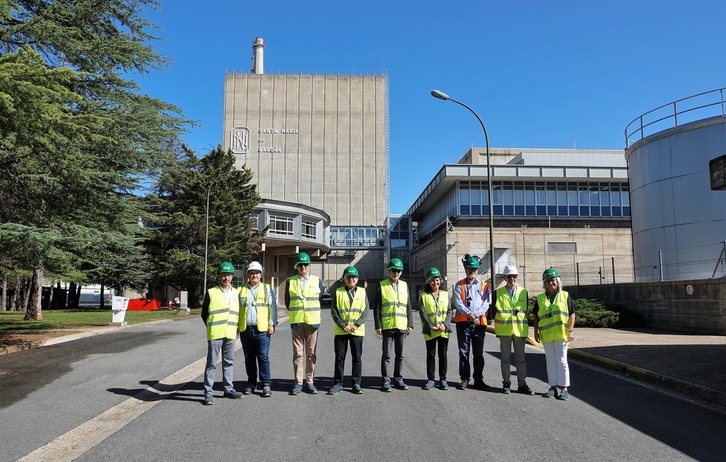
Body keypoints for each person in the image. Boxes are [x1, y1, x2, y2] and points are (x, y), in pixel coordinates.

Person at [201, 261, 243, 405]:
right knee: (211, 363)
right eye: (224, 275)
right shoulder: (211, 292)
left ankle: (228, 389)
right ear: (219, 276)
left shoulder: (236, 293)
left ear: (232, 276)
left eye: (229, 275)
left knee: (229, 362)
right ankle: (208, 392)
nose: (226, 278)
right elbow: (204, 313)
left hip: (230, 333)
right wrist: (211, 326)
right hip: (215, 334)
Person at [532, 267, 576, 400]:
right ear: (545, 284)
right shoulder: (540, 298)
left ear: (557, 281)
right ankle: (552, 387)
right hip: (547, 335)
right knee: (550, 361)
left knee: (561, 360)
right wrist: (535, 332)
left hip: (562, 334)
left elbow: (572, 313)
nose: (551, 283)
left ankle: (564, 388)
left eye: (553, 280)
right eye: (548, 281)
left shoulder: (565, 295)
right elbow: (536, 316)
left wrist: (571, 330)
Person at [285, 252, 324, 395]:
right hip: (297, 321)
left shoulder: (317, 281)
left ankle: (310, 381)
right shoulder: (290, 281)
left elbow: (319, 299)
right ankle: (298, 383)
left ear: (309, 266)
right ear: (297, 266)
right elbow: (288, 302)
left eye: (305, 264)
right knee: (298, 354)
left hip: (312, 322)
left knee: (311, 353)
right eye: (300, 265)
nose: (303, 267)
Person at [491, 265, 534, 395]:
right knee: (505, 359)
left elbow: (525, 311)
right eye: (509, 276)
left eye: (514, 276)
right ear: (504, 278)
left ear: (517, 277)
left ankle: (522, 384)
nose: (512, 279)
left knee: (520, 359)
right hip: (504, 330)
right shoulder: (498, 293)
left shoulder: (523, 292)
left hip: (519, 330)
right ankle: (506, 383)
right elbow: (493, 311)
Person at [374, 258, 414, 392]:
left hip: (401, 326)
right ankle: (386, 380)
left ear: (401, 272)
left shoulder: (404, 285)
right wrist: (378, 325)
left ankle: (398, 379)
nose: (395, 273)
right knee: (387, 355)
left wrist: (410, 324)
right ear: (389, 271)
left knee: (400, 354)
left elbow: (408, 306)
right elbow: (377, 307)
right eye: (393, 270)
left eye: (398, 271)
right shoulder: (382, 285)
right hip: (387, 326)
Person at [452, 254, 491, 391]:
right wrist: (469, 314)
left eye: (474, 268)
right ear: (465, 269)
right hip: (463, 324)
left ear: (478, 270)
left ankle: (478, 380)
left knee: (478, 354)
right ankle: (464, 379)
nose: (471, 270)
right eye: (469, 268)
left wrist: (476, 315)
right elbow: (458, 303)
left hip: (479, 324)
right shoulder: (459, 285)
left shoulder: (485, 286)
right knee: (464, 353)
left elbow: (486, 304)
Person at [238, 261, 277, 398]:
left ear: (261, 275)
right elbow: (236, 310)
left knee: (263, 357)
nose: (254, 275)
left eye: (257, 273)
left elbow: (272, 308)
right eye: (252, 273)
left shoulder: (267, 289)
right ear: (247, 275)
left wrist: (272, 324)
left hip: (262, 330)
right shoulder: (240, 290)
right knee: (249, 358)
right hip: (245, 329)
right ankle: (251, 383)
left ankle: (266, 384)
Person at [328, 266, 369, 395]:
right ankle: (338, 383)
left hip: (357, 331)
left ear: (357, 279)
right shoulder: (338, 292)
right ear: (344, 279)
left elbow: (366, 311)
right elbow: (334, 311)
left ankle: (356, 383)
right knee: (339, 358)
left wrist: (356, 324)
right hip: (341, 331)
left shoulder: (362, 292)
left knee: (357, 358)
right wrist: (342, 325)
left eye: (354, 277)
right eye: (349, 277)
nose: (351, 279)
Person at [418, 267, 452, 390]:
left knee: (443, 355)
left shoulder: (445, 294)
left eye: (437, 280)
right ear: (428, 282)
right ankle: (431, 379)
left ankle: (443, 379)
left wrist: (445, 325)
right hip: (430, 330)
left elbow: (449, 311)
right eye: (432, 280)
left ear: (440, 281)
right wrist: (430, 326)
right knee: (430, 355)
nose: (435, 283)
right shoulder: (424, 296)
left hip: (443, 330)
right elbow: (422, 313)